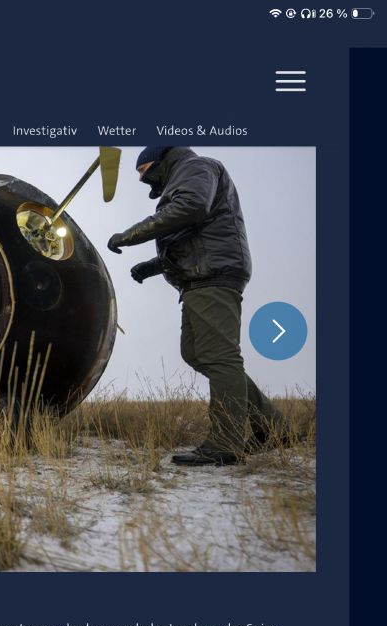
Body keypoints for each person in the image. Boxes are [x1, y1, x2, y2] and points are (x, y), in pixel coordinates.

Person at [107, 146, 288, 466]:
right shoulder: (186, 175)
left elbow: (191, 207)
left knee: (220, 356)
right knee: (195, 353)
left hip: (213, 276)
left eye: (143, 170)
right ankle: (272, 426)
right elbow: (190, 236)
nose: (141, 178)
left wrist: (129, 235)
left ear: (161, 160)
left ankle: (226, 443)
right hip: (199, 278)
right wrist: (151, 267)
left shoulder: (196, 167)